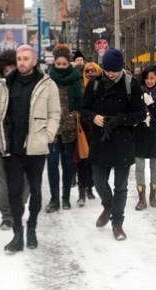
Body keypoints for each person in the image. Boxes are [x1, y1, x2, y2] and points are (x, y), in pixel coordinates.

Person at [0, 44, 61, 253]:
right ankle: (18, 234)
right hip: (12, 148)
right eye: (19, 59)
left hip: (36, 148)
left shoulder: (47, 84)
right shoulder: (5, 84)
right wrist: (0, 136)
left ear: (34, 60)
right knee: (14, 192)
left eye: (26, 58)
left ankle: (32, 227)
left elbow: (55, 113)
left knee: (35, 190)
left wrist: (48, 136)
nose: (21, 62)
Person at [81, 48, 145, 241]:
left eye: (115, 71)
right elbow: (84, 109)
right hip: (100, 140)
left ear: (121, 68)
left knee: (121, 186)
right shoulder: (95, 84)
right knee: (98, 181)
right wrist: (94, 117)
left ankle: (117, 223)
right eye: (107, 70)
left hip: (122, 141)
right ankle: (108, 205)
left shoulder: (131, 84)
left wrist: (120, 119)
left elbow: (141, 113)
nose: (111, 74)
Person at [0, 49, 29, 230]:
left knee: (25, 178)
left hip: (23, 140)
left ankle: (17, 208)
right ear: (1, 70)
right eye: (7, 69)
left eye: (13, 68)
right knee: (2, 180)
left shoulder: (29, 86)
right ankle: (7, 215)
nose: (10, 72)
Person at [46, 44, 83, 212]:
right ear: (54, 63)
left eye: (64, 64)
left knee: (68, 165)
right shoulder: (47, 80)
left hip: (70, 129)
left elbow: (81, 104)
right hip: (52, 130)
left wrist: (73, 116)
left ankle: (66, 197)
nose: (61, 67)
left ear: (69, 63)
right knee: (52, 164)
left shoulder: (76, 80)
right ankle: (54, 199)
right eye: (58, 64)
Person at [134, 65, 156, 210]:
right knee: (139, 166)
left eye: (152, 78)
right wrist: (139, 118)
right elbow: (133, 110)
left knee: (154, 166)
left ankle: (153, 196)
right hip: (140, 132)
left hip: (155, 134)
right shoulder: (138, 92)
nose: (149, 81)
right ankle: (141, 199)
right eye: (147, 78)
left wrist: (152, 105)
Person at [76, 61, 102, 206]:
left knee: (93, 160)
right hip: (81, 128)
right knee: (82, 161)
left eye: (93, 70)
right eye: (87, 71)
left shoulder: (101, 86)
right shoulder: (80, 86)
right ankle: (81, 191)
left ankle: (90, 188)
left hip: (96, 128)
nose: (90, 73)